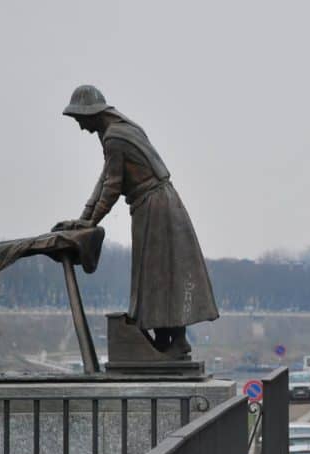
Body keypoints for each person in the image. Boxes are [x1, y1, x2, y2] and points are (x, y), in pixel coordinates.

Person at [52, 85, 219, 358]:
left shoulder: (115, 137)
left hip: (155, 208)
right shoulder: (119, 130)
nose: (81, 127)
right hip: (155, 205)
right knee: (157, 274)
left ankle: (175, 342)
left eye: (80, 120)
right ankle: (166, 339)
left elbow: (112, 186)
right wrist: (84, 219)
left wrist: (90, 221)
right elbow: (105, 178)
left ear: (91, 113)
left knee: (161, 274)